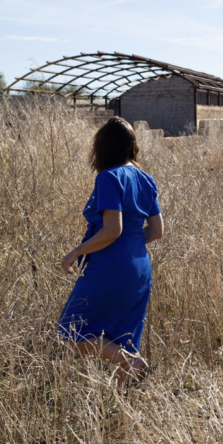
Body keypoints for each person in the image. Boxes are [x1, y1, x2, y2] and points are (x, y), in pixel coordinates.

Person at [58, 117, 164, 385]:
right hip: (140, 268)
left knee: (69, 332)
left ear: (104, 147)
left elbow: (112, 230)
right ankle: (123, 419)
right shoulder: (146, 179)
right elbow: (156, 231)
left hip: (111, 267)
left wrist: (74, 253)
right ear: (131, 146)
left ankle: (132, 363)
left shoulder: (108, 177)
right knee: (123, 336)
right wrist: (131, 242)